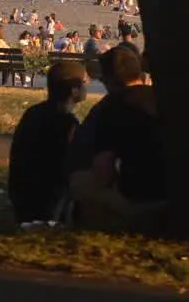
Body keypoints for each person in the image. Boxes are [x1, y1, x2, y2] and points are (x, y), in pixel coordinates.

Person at [66, 46, 167, 232]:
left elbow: (103, 173)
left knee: (78, 182)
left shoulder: (111, 108)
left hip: (138, 195)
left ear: (108, 79)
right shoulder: (164, 101)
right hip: (173, 191)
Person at [8, 60, 89, 225]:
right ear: (74, 90)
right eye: (85, 82)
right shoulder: (67, 123)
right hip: (48, 204)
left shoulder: (33, 113)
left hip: (23, 199)